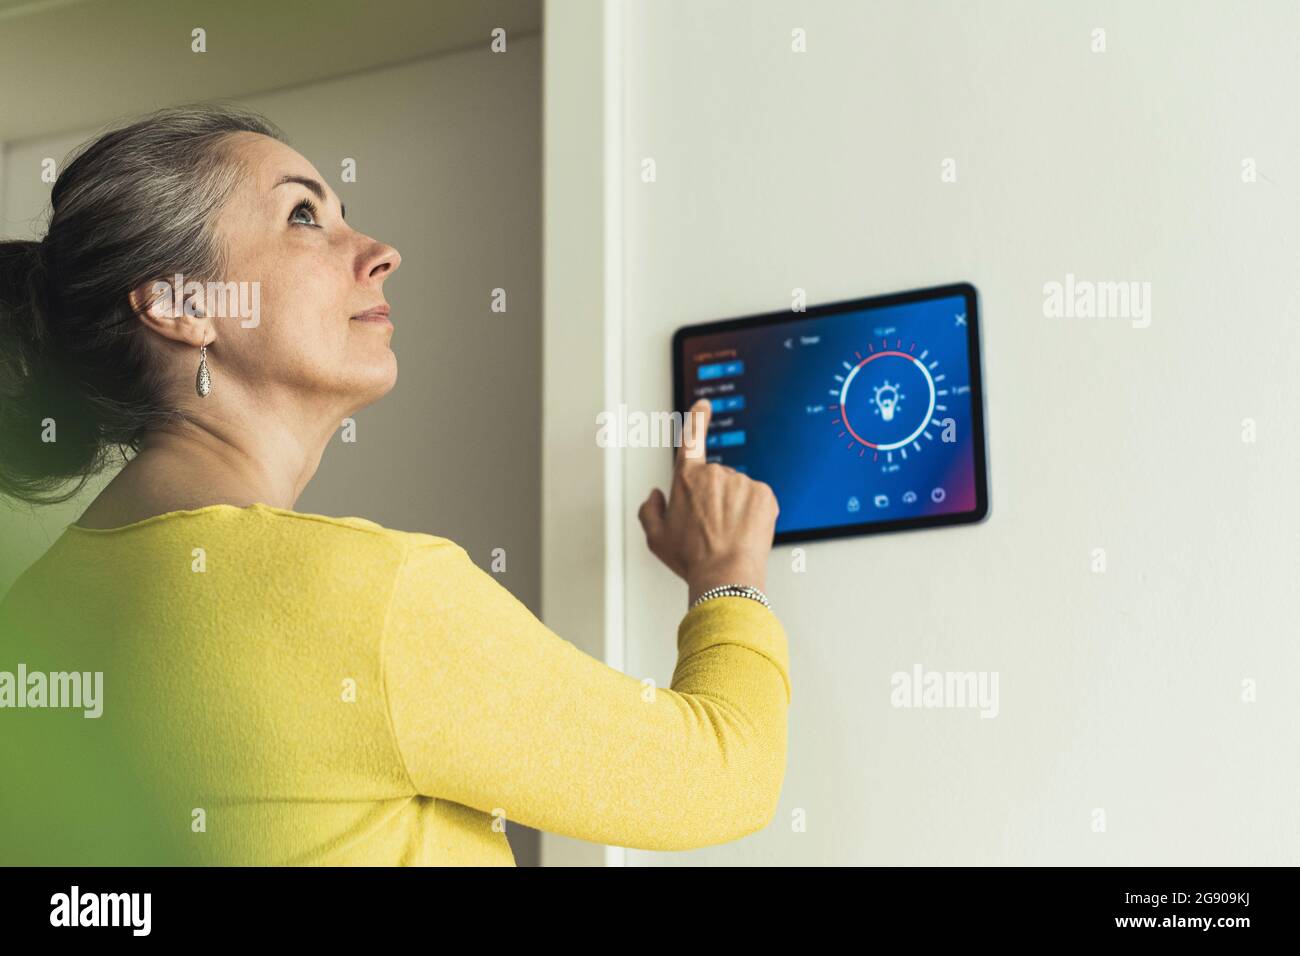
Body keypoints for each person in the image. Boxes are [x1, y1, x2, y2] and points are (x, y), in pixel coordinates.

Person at [0, 104, 790, 865]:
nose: (380, 251)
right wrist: (728, 576)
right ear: (180, 305)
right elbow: (723, 777)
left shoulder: (27, 620)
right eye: (303, 217)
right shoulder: (367, 596)